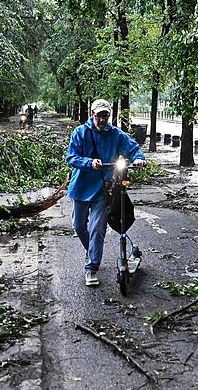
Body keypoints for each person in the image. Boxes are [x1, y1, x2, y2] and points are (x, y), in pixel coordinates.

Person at [66, 99, 146, 286]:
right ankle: (92, 250)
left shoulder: (116, 134)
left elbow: (133, 148)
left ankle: (92, 267)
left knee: (97, 229)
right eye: (99, 115)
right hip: (81, 187)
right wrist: (89, 162)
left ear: (109, 115)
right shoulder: (80, 132)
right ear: (91, 114)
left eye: (105, 115)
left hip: (104, 189)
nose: (102, 119)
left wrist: (139, 159)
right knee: (79, 226)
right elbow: (71, 157)